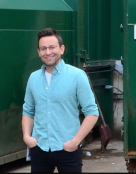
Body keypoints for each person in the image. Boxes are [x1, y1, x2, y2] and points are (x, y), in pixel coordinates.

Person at [21, 28, 99, 173]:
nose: (48, 52)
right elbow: (28, 110)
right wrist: (26, 136)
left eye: (52, 47)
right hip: (40, 148)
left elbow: (92, 113)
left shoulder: (77, 76)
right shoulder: (33, 78)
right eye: (43, 48)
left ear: (62, 49)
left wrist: (75, 142)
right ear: (38, 52)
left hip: (68, 148)